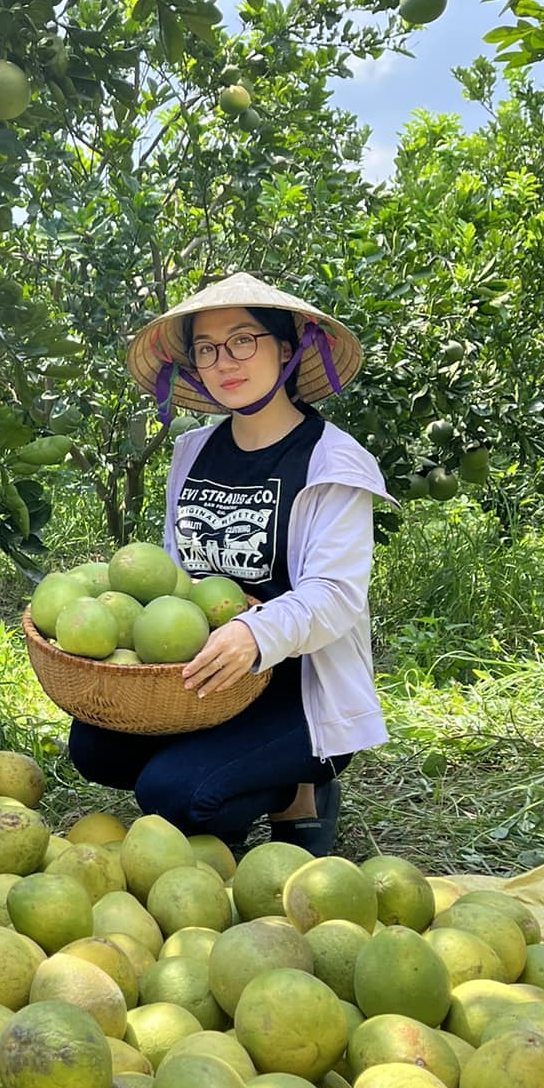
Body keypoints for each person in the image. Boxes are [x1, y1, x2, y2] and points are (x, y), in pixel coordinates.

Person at [65, 273, 391, 857]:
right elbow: (176, 569)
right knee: (95, 746)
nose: (225, 361)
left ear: (286, 351)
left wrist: (252, 631)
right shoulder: (193, 452)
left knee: (175, 795)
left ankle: (301, 789)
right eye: (208, 348)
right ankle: (228, 771)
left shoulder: (332, 461)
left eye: (244, 340)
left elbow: (338, 593)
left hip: (294, 685)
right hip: (208, 677)